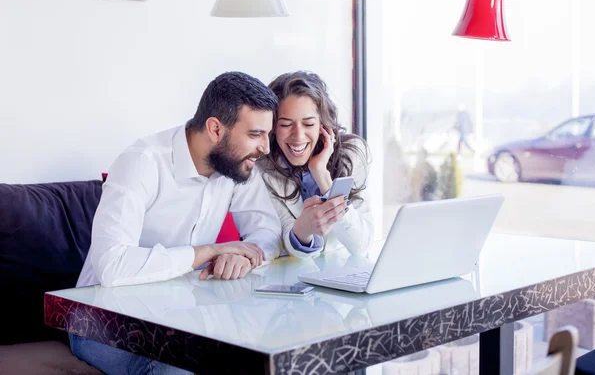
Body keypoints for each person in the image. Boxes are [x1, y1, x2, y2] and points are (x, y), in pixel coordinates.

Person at [71, 71, 283, 375]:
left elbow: (266, 230)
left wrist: (242, 256)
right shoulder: (143, 162)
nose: (265, 147)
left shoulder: (237, 165)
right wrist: (206, 251)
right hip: (101, 322)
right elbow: (112, 265)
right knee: (178, 369)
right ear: (215, 129)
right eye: (255, 134)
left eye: (267, 134)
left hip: (181, 318)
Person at [258, 71, 373, 259]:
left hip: (344, 271)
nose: (298, 136)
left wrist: (322, 175)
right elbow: (283, 241)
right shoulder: (263, 168)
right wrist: (303, 231)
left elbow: (361, 245)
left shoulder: (351, 155)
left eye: (308, 124)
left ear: (323, 124)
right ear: (273, 128)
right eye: (286, 124)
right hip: (293, 277)